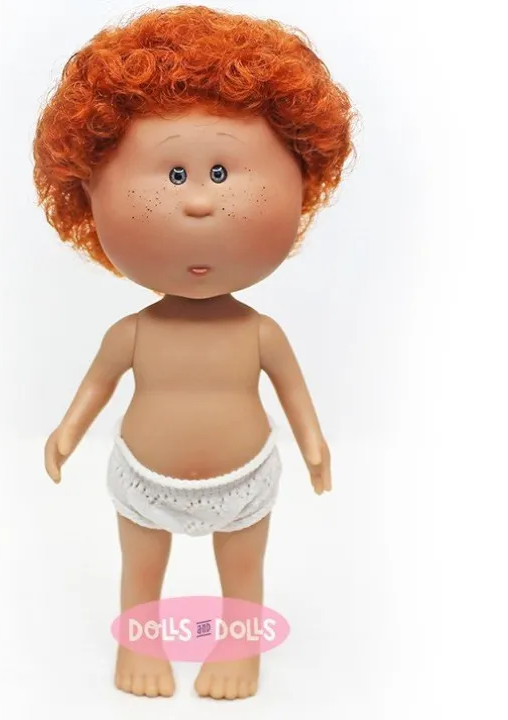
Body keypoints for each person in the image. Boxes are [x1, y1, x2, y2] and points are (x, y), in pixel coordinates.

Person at [34, 4, 356, 700]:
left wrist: (314, 443)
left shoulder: (261, 332)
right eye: (174, 175)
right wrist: (66, 432)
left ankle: (239, 647)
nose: (201, 203)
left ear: (303, 183)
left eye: (222, 171)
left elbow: (294, 394)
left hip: (244, 480)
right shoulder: (132, 333)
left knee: (242, 571)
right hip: (144, 480)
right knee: (140, 566)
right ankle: (139, 638)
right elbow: (95, 388)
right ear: (88, 192)